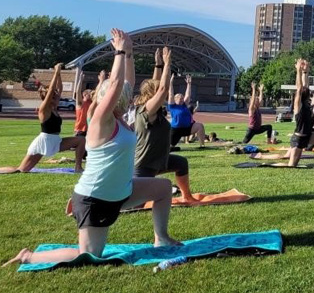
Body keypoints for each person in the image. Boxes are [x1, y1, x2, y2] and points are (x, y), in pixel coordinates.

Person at [3, 29, 180, 268]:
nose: (128, 96)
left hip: (121, 192)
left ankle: (162, 238)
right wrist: (118, 51)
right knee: (89, 255)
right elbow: (117, 84)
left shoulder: (121, 119)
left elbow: (125, 83)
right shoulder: (100, 119)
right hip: (95, 199)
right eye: (123, 95)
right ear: (112, 98)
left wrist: (128, 53)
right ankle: (29, 256)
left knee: (163, 188)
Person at [133, 46, 198, 203]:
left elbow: (155, 85)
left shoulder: (152, 107)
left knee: (181, 163)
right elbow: (162, 88)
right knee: (135, 204)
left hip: (159, 160)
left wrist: (158, 65)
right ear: (152, 95)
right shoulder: (147, 110)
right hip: (145, 165)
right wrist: (168, 63)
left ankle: (187, 196)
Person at [2, 63, 86, 174]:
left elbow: (59, 89)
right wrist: (55, 72)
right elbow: (51, 90)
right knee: (21, 170)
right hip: (43, 142)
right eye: (54, 96)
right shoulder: (44, 109)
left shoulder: (54, 107)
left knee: (81, 140)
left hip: (56, 141)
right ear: (48, 97)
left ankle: (78, 167)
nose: (57, 97)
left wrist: (59, 73)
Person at [168, 74, 205, 148]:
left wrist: (189, 84)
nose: (182, 99)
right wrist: (171, 83)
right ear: (175, 99)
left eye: (182, 98)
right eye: (179, 98)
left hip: (187, 128)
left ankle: (202, 145)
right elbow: (171, 94)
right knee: (171, 146)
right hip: (176, 129)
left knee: (200, 126)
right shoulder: (172, 106)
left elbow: (187, 95)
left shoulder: (184, 105)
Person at [74, 70, 104, 138]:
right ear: (84, 94)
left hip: (90, 129)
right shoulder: (80, 103)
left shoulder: (92, 103)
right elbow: (78, 91)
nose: (91, 95)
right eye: (89, 94)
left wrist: (101, 81)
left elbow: (97, 92)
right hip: (80, 130)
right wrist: (80, 80)